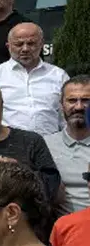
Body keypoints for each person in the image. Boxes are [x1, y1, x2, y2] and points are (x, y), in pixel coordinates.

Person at [0, 23, 68, 135]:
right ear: (8, 46)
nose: (25, 49)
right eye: (19, 44)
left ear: (41, 44)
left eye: (31, 43)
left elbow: (66, 116)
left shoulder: (59, 75)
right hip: (8, 147)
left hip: (50, 145)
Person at [45, 76, 90, 213]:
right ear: (61, 105)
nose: (78, 107)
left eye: (85, 100)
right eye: (72, 100)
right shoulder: (45, 145)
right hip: (62, 228)